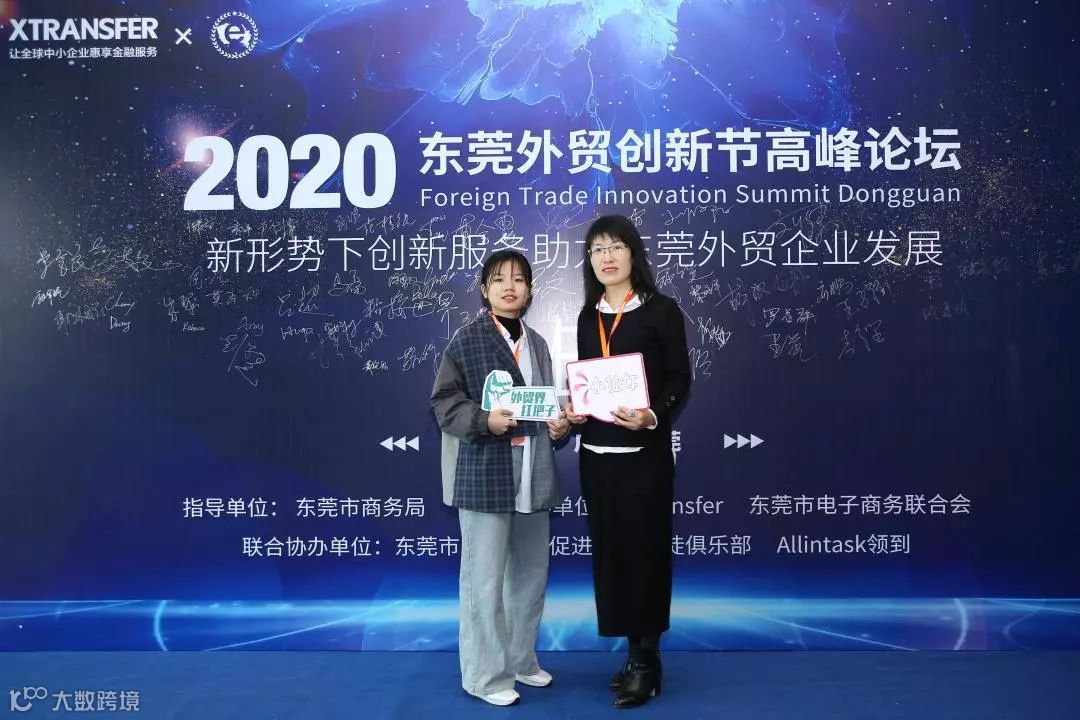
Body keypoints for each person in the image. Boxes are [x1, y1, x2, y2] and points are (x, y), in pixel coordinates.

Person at [431, 249, 570, 707]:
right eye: (499, 279)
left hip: (533, 471)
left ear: (530, 290)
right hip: (485, 471)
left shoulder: (539, 344)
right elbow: (444, 403)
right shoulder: (467, 340)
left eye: (518, 279)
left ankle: (520, 661)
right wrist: (482, 420)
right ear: (484, 290)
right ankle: (485, 676)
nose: (510, 287)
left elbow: (545, 405)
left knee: (530, 576)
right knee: (484, 581)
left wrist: (559, 426)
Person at [565, 215, 692, 709]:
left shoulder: (661, 310)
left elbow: (679, 378)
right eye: (598, 249)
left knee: (646, 555)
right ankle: (633, 654)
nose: (607, 257)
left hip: (644, 457)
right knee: (613, 557)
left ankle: (647, 660)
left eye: (616, 246)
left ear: (633, 254)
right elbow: (589, 382)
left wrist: (652, 415)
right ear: (590, 260)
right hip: (597, 457)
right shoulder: (587, 316)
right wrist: (577, 411)